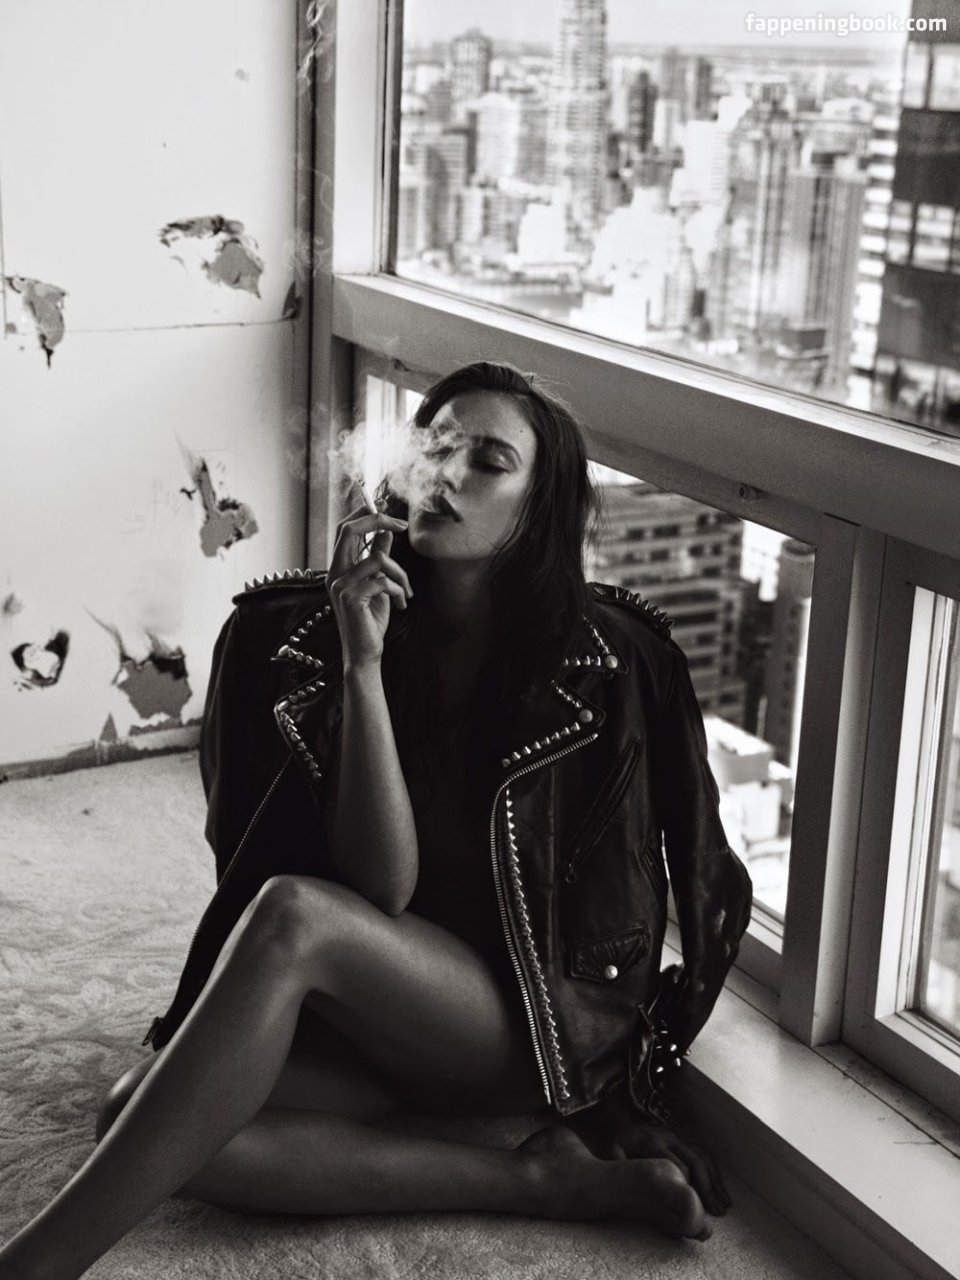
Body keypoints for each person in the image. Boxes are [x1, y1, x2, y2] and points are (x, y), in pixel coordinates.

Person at [0, 361, 752, 1279]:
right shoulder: (343, 629)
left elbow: (706, 882)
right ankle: (540, 1184)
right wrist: (361, 664)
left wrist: (641, 1080)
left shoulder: (616, 664)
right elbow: (382, 887)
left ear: (539, 505)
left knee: (295, 915)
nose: (448, 474)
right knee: (140, 1118)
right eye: (435, 445)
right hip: (381, 1008)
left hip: (516, 1021)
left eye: (488, 461)